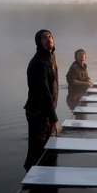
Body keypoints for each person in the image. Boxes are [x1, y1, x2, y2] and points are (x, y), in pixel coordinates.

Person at [23, 29, 59, 172]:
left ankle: (44, 175)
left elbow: (54, 85)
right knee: (37, 149)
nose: (48, 39)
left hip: (46, 110)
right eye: (44, 37)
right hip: (37, 112)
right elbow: (44, 93)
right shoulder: (38, 63)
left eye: (50, 36)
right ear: (39, 42)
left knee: (46, 146)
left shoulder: (51, 56)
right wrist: (54, 118)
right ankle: (31, 178)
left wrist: (52, 115)